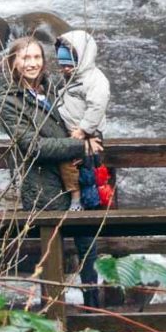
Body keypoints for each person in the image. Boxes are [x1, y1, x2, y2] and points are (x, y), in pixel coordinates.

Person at [0, 36, 104, 303]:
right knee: (52, 257)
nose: (32, 64)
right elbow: (34, 146)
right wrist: (79, 147)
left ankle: (95, 311)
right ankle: (54, 319)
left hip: (78, 179)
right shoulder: (7, 101)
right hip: (44, 187)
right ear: (13, 62)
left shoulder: (53, 86)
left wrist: (90, 134)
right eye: (25, 58)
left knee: (89, 248)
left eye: (37, 58)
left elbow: (80, 116)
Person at [53, 30, 111, 211]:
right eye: (62, 65)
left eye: (70, 64)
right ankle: (76, 197)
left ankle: (91, 203)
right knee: (70, 167)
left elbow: (97, 106)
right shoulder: (70, 78)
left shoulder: (95, 80)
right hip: (72, 132)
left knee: (87, 171)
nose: (65, 69)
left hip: (88, 134)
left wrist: (84, 130)